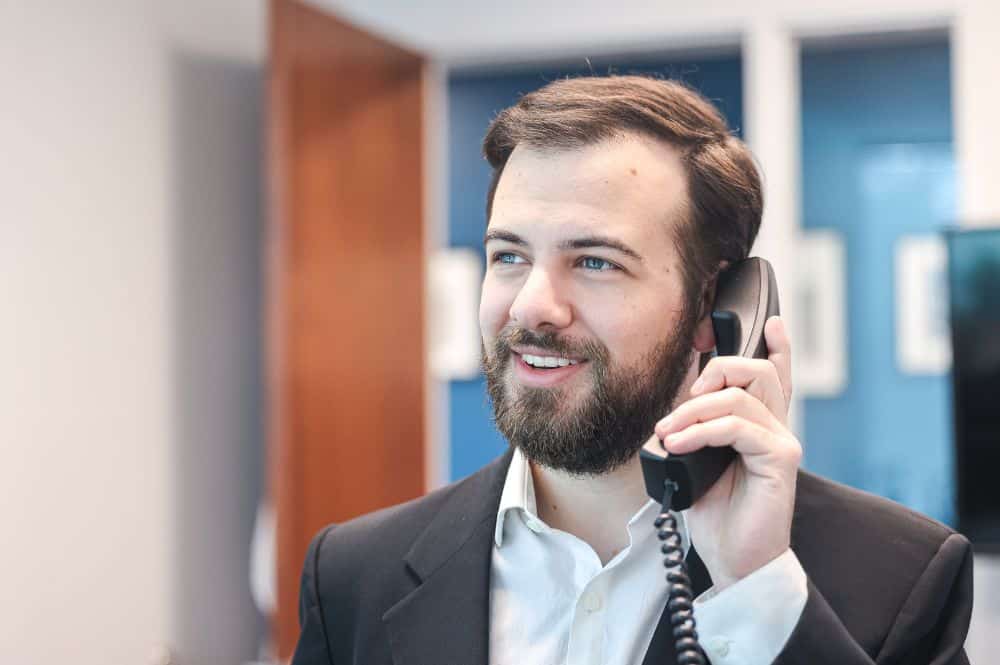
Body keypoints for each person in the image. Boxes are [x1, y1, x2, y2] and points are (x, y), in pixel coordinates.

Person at [290, 75, 973, 665]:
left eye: (595, 262)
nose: (533, 305)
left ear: (716, 306)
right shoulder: (353, 574)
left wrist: (756, 593)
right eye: (509, 256)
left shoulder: (903, 578)